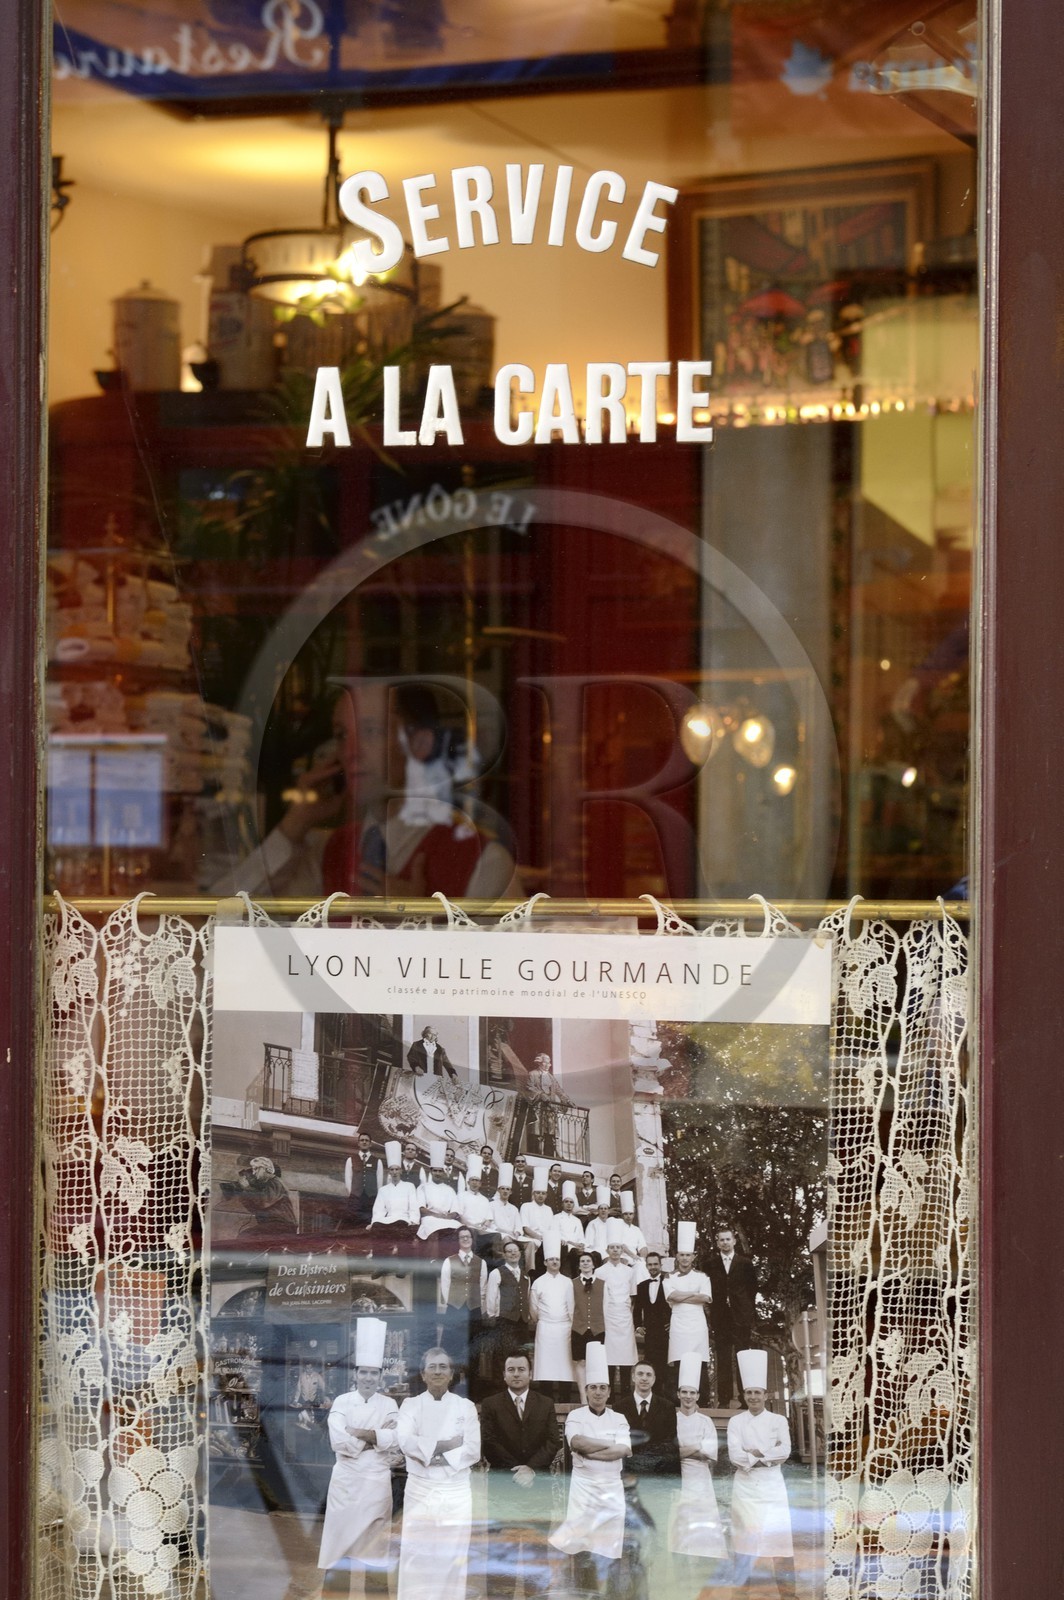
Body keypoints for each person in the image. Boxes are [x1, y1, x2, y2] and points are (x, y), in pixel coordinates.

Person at [212, 683, 519, 901]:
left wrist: (424, 924)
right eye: (342, 735)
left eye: (370, 731)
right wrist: (295, 824)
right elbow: (219, 919)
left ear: (421, 744)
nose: (350, 752)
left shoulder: (484, 861)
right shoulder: (328, 851)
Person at [317, 1318, 400, 1596]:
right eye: (363, 1372)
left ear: (380, 1376)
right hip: (346, 1484)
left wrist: (359, 1433)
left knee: (375, 1550)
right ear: (355, 1373)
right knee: (340, 1549)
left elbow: (395, 1439)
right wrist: (375, 1437)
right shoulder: (342, 1401)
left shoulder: (389, 1403)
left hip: (376, 1484)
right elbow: (338, 1441)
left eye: (373, 1373)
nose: (368, 1378)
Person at [396, 1348, 481, 1600]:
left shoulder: (465, 1407)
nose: (437, 1372)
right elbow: (405, 1441)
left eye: (443, 1366)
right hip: (420, 1490)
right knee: (416, 1554)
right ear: (423, 1374)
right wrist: (450, 1444)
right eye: (432, 1367)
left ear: (451, 1374)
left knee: (453, 1554)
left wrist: (430, 1454)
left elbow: (473, 1450)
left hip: (455, 1491)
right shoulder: (410, 1405)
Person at [549, 1341, 632, 1589]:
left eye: (602, 1387)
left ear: (609, 1392)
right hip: (583, 1491)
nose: (598, 1392)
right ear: (586, 1391)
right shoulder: (576, 1416)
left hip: (611, 1490)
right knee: (583, 1550)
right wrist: (607, 1444)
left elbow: (623, 1450)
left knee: (609, 1549)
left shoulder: (619, 1418)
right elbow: (576, 1442)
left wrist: (591, 1452)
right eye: (593, 1387)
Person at [480, 1353, 561, 1600]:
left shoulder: (545, 1403)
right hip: (503, 1490)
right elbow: (488, 1442)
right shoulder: (491, 1404)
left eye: (521, 1369)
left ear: (530, 1373)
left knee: (537, 1556)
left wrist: (531, 1468)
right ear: (504, 1374)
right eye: (511, 1369)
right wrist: (517, 1469)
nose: (516, 1374)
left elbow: (553, 1441)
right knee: (501, 1556)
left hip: (537, 1490)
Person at [727, 1350, 797, 1600]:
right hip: (745, 1488)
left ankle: (788, 1595)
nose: (753, 1397)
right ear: (744, 1395)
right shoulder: (736, 1422)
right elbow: (735, 1456)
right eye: (749, 1392)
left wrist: (754, 1453)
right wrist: (767, 1454)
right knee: (743, 1539)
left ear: (765, 1395)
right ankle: (741, 1593)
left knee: (780, 1540)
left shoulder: (778, 1420)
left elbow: (785, 1451)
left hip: (772, 1486)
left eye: (757, 1392)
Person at [670, 1353, 728, 1590]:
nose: (688, 1396)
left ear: (698, 1396)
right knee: (679, 1525)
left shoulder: (705, 1421)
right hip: (679, 1478)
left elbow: (709, 1453)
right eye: (684, 1392)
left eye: (692, 1392)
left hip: (701, 1480)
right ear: (678, 1394)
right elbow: (670, 1454)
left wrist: (684, 1450)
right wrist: (696, 1447)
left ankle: (706, 1576)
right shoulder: (671, 1419)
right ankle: (681, 1578)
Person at [707, 1226, 758, 1408]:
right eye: (721, 1240)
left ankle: (745, 1399)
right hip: (720, 1316)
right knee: (723, 1357)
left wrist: (746, 1310)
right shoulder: (710, 1264)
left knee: (742, 1356)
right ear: (717, 1243)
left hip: (740, 1316)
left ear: (734, 1241)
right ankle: (724, 1399)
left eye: (728, 1239)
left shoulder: (745, 1263)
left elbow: (752, 1289)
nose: (725, 1242)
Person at [666, 1222, 712, 1403]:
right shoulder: (669, 1277)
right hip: (678, 1326)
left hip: (697, 1326)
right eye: (682, 1255)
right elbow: (671, 1296)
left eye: (688, 1255)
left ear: (693, 1257)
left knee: (700, 1363)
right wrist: (694, 1293)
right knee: (679, 1362)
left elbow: (705, 1298)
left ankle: (703, 1400)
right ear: (677, 1256)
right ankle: (678, 1401)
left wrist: (681, 1296)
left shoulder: (702, 1276)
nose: (685, 1258)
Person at [438, 1228, 488, 1387]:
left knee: (473, 1349)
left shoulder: (481, 1262)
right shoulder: (449, 1261)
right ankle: (451, 1385)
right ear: (458, 1241)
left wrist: (476, 1303)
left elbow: (483, 1287)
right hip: (454, 1309)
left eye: (468, 1237)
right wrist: (453, 1302)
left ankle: (473, 1387)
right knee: (452, 1349)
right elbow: (445, 1285)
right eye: (462, 1237)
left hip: (474, 1310)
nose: (465, 1239)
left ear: (472, 1239)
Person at [616, 1360, 679, 1481]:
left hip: (658, 1473)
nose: (644, 1378)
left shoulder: (667, 1407)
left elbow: (671, 1443)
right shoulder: (619, 1407)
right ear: (633, 1377)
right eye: (640, 1374)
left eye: (649, 1375)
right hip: (628, 1473)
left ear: (654, 1379)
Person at [595, 1222, 640, 1393]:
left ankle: (626, 1392)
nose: (615, 1250)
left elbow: (633, 1296)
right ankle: (611, 1393)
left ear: (622, 1250)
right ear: (607, 1250)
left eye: (618, 1247)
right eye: (612, 1247)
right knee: (609, 1357)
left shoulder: (629, 1271)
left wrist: (628, 1313)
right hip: (608, 1317)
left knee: (626, 1356)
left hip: (625, 1317)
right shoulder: (599, 1271)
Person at [529, 1233, 575, 1393]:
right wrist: (543, 1321)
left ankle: (564, 1397)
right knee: (545, 1364)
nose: (555, 1262)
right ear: (545, 1262)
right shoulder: (538, 1282)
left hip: (565, 1328)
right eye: (551, 1259)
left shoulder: (568, 1282)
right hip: (545, 1328)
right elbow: (533, 1308)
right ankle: (546, 1397)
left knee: (565, 1364)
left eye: (557, 1259)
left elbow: (572, 1306)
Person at [484, 1239, 533, 1373]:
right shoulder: (496, 1273)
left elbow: (527, 1297)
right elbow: (491, 1296)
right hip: (505, 1320)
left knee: (522, 1354)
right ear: (504, 1255)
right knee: (504, 1353)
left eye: (515, 1251)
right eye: (509, 1251)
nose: (513, 1254)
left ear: (520, 1254)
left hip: (522, 1321)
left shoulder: (526, 1276)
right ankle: (500, 1383)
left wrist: (527, 1316)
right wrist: (492, 1316)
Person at [219, 1155, 297, 1235]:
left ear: (266, 1168)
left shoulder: (276, 1182)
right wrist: (243, 1192)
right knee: (245, 1235)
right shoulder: (265, 1185)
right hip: (271, 1223)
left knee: (246, 1235)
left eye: (256, 1169)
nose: (254, 1172)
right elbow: (254, 1209)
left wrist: (247, 1188)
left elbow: (264, 1202)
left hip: (282, 1224)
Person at [368, 1140, 420, 1250]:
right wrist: (374, 1222)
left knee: (400, 1228)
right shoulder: (383, 1190)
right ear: (389, 1172)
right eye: (392, 1170)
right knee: (377, 1228)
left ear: (401, 1171)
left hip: (403, 1218)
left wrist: (414, 1221)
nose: (395, 1172)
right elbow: (378, 1209)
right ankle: (379, 1258)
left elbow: (413, 1206)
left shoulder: (409, 1186)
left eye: (397, 1169)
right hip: (388, 1219)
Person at [571, 1251, 606, 1404]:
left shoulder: (603, 1283)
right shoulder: (572, 1283)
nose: (585, 1263)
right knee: (581, 1362)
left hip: (598, 1328)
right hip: (579, 1328)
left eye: (588, 1261)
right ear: (579, 1266)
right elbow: (570, 1306)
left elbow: (606, 1306)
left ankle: (595, 1398)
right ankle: (583, 1398)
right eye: (582, 1261)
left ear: (593, 1265)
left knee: (596, 1362)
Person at [415, 1142, 462, 1256]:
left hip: (446, 1219)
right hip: (430, 1219)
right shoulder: (423, 1187)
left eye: (440, 1171)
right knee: (434, 1231)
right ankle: (433, 1261)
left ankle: (452, 1261)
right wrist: (436, 1215)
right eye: (435, 1170)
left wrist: (447, 1216)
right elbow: (422, 1209)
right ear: (431, 1171)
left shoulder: (449, 1189)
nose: (437, 1173)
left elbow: (455, 1211)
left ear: (443, 1172)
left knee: (461, 1231)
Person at [633, 1253, 672, 1389]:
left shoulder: (669, 1283)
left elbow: (675, 1305)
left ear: (661, 1265)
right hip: (649, 1332)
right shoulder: (641, 1286)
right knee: (651, 1362)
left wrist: (673, 1322)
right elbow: (637, 1309)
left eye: (655, 1264)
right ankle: (653, 1393)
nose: (653, 1267)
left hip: (666, 1331)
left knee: (665, 1363)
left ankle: (665, 1394)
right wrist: (638, 1326)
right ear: (646, 1266)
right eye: (650, 1264)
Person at [524, 1054, 573, 1157]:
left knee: (550, 1132)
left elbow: (559, 1091)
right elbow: (529, 1088)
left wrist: (568, 1100)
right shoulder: (532, 1074)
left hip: (550, 1109)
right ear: (539, 1063)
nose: (547, 1065)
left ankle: (548, 1155)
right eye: (545, 1063)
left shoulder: (551, 1078)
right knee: (536, 1132)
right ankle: (535, 1154)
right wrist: (541, 1095)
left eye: (549, 1063)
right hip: (538, 1108)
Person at [458, 1153, 495, 1256]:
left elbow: (489, 1218)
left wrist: (485, 1225)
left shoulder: (484, 1199)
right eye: (472, 1180)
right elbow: (459, 1215)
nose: (475, 1183)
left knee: (496, 1236)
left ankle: (489, 1263)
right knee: (473, 1232)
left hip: (482, 1228)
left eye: (477, 1180)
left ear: (480, 1183)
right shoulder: (462, 1195)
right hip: (466, 1226)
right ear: (468, 1182)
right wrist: (471, 1225)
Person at [519, 1172, 555, 1276]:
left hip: (546, 1239)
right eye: (538, 1193)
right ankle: (532, 1274)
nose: (540, 1195)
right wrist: (539, 1237)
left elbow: (552, 1228)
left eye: (543, 1193)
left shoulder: (548, 1209)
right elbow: (525, 1228)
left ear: (546, 1195)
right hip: (531, 1238)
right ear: (533, 1194)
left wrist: (547, 1238)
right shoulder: (526, 1206)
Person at [489, 1163, 523, 1260]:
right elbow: (491, 1224)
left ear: (510, 1192)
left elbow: (518, 1226)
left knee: (530, 1243)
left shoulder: (514, 1208)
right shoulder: (491, 1205)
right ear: (498, 1190)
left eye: (507, 1189)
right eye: (502, 1189)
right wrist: (505, 1231)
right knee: (507, 1240)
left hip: (513, 1235)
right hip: (499, 1235)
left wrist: (517, 1233)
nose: (505, 1191)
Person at [556, 1182, 587, 1276]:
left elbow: (581, 1237)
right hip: (563, 1247)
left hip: (576, 1247)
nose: (569, 1204)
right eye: (566, 1202)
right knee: (573, 1251)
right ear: (562, 1204)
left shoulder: (577, 1220)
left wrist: (581, 1244)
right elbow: (555, 1235)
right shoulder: (556, 1218)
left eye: (571, 1202)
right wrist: (572, 1243)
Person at [583, 1188, 613, 1265]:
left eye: (605, 1208)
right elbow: (588, 1244)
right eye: (601, 1208)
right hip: (598, 1252)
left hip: (612, 1251)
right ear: (598, 1211)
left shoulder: (612, 1223)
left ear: (608, 1211)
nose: (603, 1210)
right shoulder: (592, 1224)